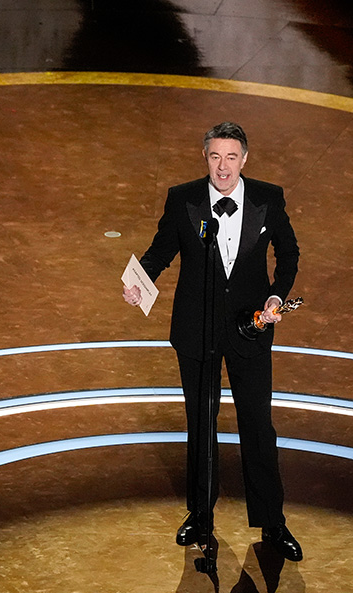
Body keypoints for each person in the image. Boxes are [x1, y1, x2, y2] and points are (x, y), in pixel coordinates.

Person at [123, 122, 302, 561]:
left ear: (245, 159)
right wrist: (138, 281)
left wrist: (276, 295)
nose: (223, 167)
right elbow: (161, 249)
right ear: (205, 158)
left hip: (250, 329)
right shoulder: (183, 199)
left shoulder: (267, 198)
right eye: (215, 157)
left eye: (231, 157)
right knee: (201, 425)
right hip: (196, 330)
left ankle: (273, 523)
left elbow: (290, 253)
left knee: (258, 426)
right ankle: (200, 517)